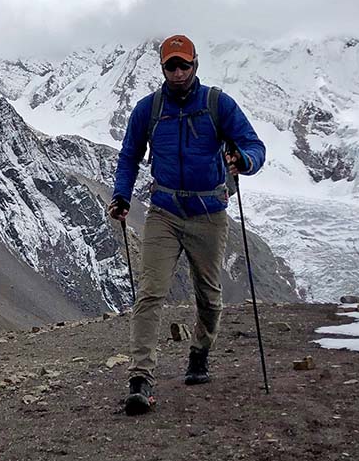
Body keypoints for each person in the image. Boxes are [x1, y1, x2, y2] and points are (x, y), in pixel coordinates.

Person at [107, 34, 266, 416]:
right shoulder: (148, 110)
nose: (178, 72)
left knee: (209, 295)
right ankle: (140, 378)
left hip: (209, 212)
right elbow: (129, 156)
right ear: (162, 68)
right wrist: (122, 195)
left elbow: (256, 147)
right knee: (150, 293)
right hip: (163, 210)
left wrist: (242, 160)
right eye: (171, 66)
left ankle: (199, 351)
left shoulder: (217, 104)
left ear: (196, 65)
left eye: (184, 65)